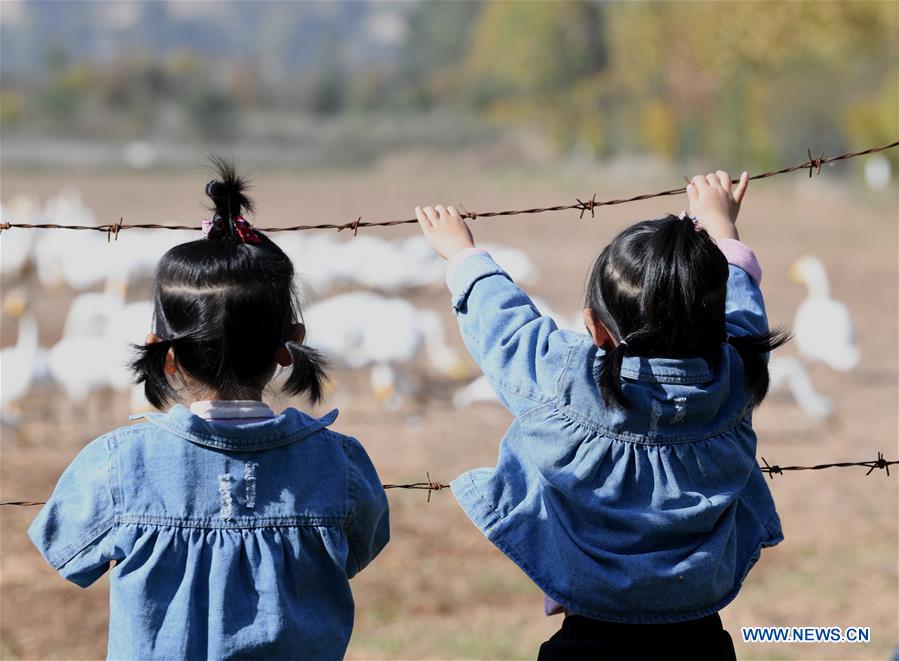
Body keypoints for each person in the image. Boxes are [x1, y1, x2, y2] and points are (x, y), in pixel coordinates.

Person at [414, 170, 787, 659]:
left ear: (594, 327)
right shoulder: (736, 375)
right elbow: (743, 314)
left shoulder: (568, 381)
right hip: (700, 639)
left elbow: (507, 333)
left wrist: (464, 255)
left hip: (588, 637)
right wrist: (723, 229)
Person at [28, 158, 389, 660]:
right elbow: (359, 547)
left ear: (163, 351)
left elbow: (62, 546)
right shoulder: (340, 466)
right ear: (291, 345)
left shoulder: (118, 465)